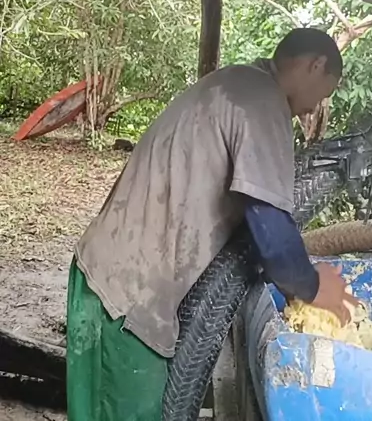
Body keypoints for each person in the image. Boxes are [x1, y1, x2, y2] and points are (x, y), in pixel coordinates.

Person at [67, 27, 357, 421]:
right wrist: (315, 286)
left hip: (102, 273)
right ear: (316, 65)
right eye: (324, 94)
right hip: (128, 298)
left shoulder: (237, 82)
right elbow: (271, 228)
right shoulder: (264, 101)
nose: (314, 109)